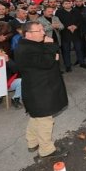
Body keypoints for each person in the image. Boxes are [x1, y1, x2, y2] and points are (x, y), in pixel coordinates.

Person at [15, 22, 68, 161]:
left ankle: (32, 141)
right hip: (39, 89)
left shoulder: (31, 44)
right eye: (39, 31)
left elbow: (53, 59)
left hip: (41, 86)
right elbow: (48, 62)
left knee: (36, 115)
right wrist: (50, 47)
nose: (43, 33)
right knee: (45, 118)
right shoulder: (26, 49)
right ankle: (47, 150)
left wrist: (51, 54)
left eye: (42, 30)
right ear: (28, 34)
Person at [55, 0, 86, 70]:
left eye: (69, 3)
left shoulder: (76, 11)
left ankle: (82, 62)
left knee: (79, 49)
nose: (68, 5)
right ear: (62, 5)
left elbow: (81, 20)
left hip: (76, 32)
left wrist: (76, 26)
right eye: (65, 3)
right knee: (66, 50)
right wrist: (67, 26)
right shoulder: (59, 12)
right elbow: (58, 21)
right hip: (65, 33)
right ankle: (68, 65)